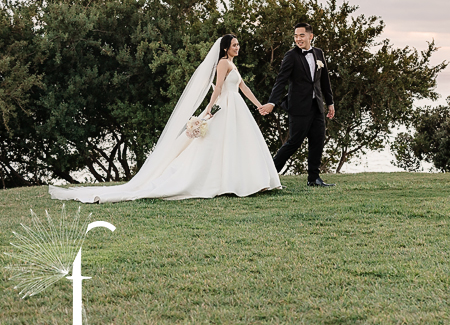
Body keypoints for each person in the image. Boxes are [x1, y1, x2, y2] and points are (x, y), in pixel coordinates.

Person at [49, 35, 281, 203]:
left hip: (237, 107)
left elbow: (243, 86)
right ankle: (224, 182)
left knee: (239, 143)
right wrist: (208, 110)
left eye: (238, 45)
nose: (238, 48)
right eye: (234, 45)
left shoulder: (233, 64)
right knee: (217, 144)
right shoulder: (222, 63)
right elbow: (218, 87)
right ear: (225, 49)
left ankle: (245, 180)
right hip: (225, 106)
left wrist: (259, 105)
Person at [259, 22, 335, 186]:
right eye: (296, 36)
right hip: (298, 107)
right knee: (294, 143)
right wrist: (272, 102)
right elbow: (281, 81)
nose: (298, 39)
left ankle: (313, 179)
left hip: (317, 106)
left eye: (301, 35)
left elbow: (324, 81)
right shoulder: (291, 56)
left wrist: (330, 103)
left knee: (318, 140)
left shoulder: (319, 53)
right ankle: (267, 177)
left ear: (310, 36)